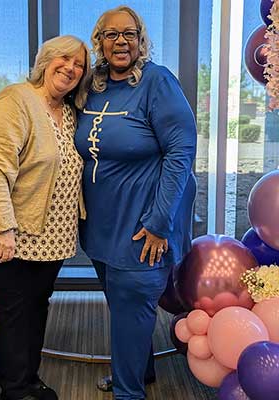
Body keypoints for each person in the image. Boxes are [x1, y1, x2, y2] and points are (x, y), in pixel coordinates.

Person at [74, 6, 197, 400]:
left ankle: (129, 393)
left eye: (129, 34)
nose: (120, 41)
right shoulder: (93, 84)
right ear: (100, 42)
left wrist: (160, 221)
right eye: (111, 35)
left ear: (141, 40)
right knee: (125, 312)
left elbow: (181, 152)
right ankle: (138, 371)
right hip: (100, 226)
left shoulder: (158, 82)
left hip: (142, 225)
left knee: (132, 306)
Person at [0, 35, 91, 400]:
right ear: (46, 60)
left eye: (78, 63)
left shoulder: (68, 110)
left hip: (49, 234)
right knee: (15, 309)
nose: (70, 67)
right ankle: (15, 389)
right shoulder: (16, 100)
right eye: (63, 58)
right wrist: (3, 229)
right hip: (7, 229)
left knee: (37, 304)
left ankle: (29, 379)